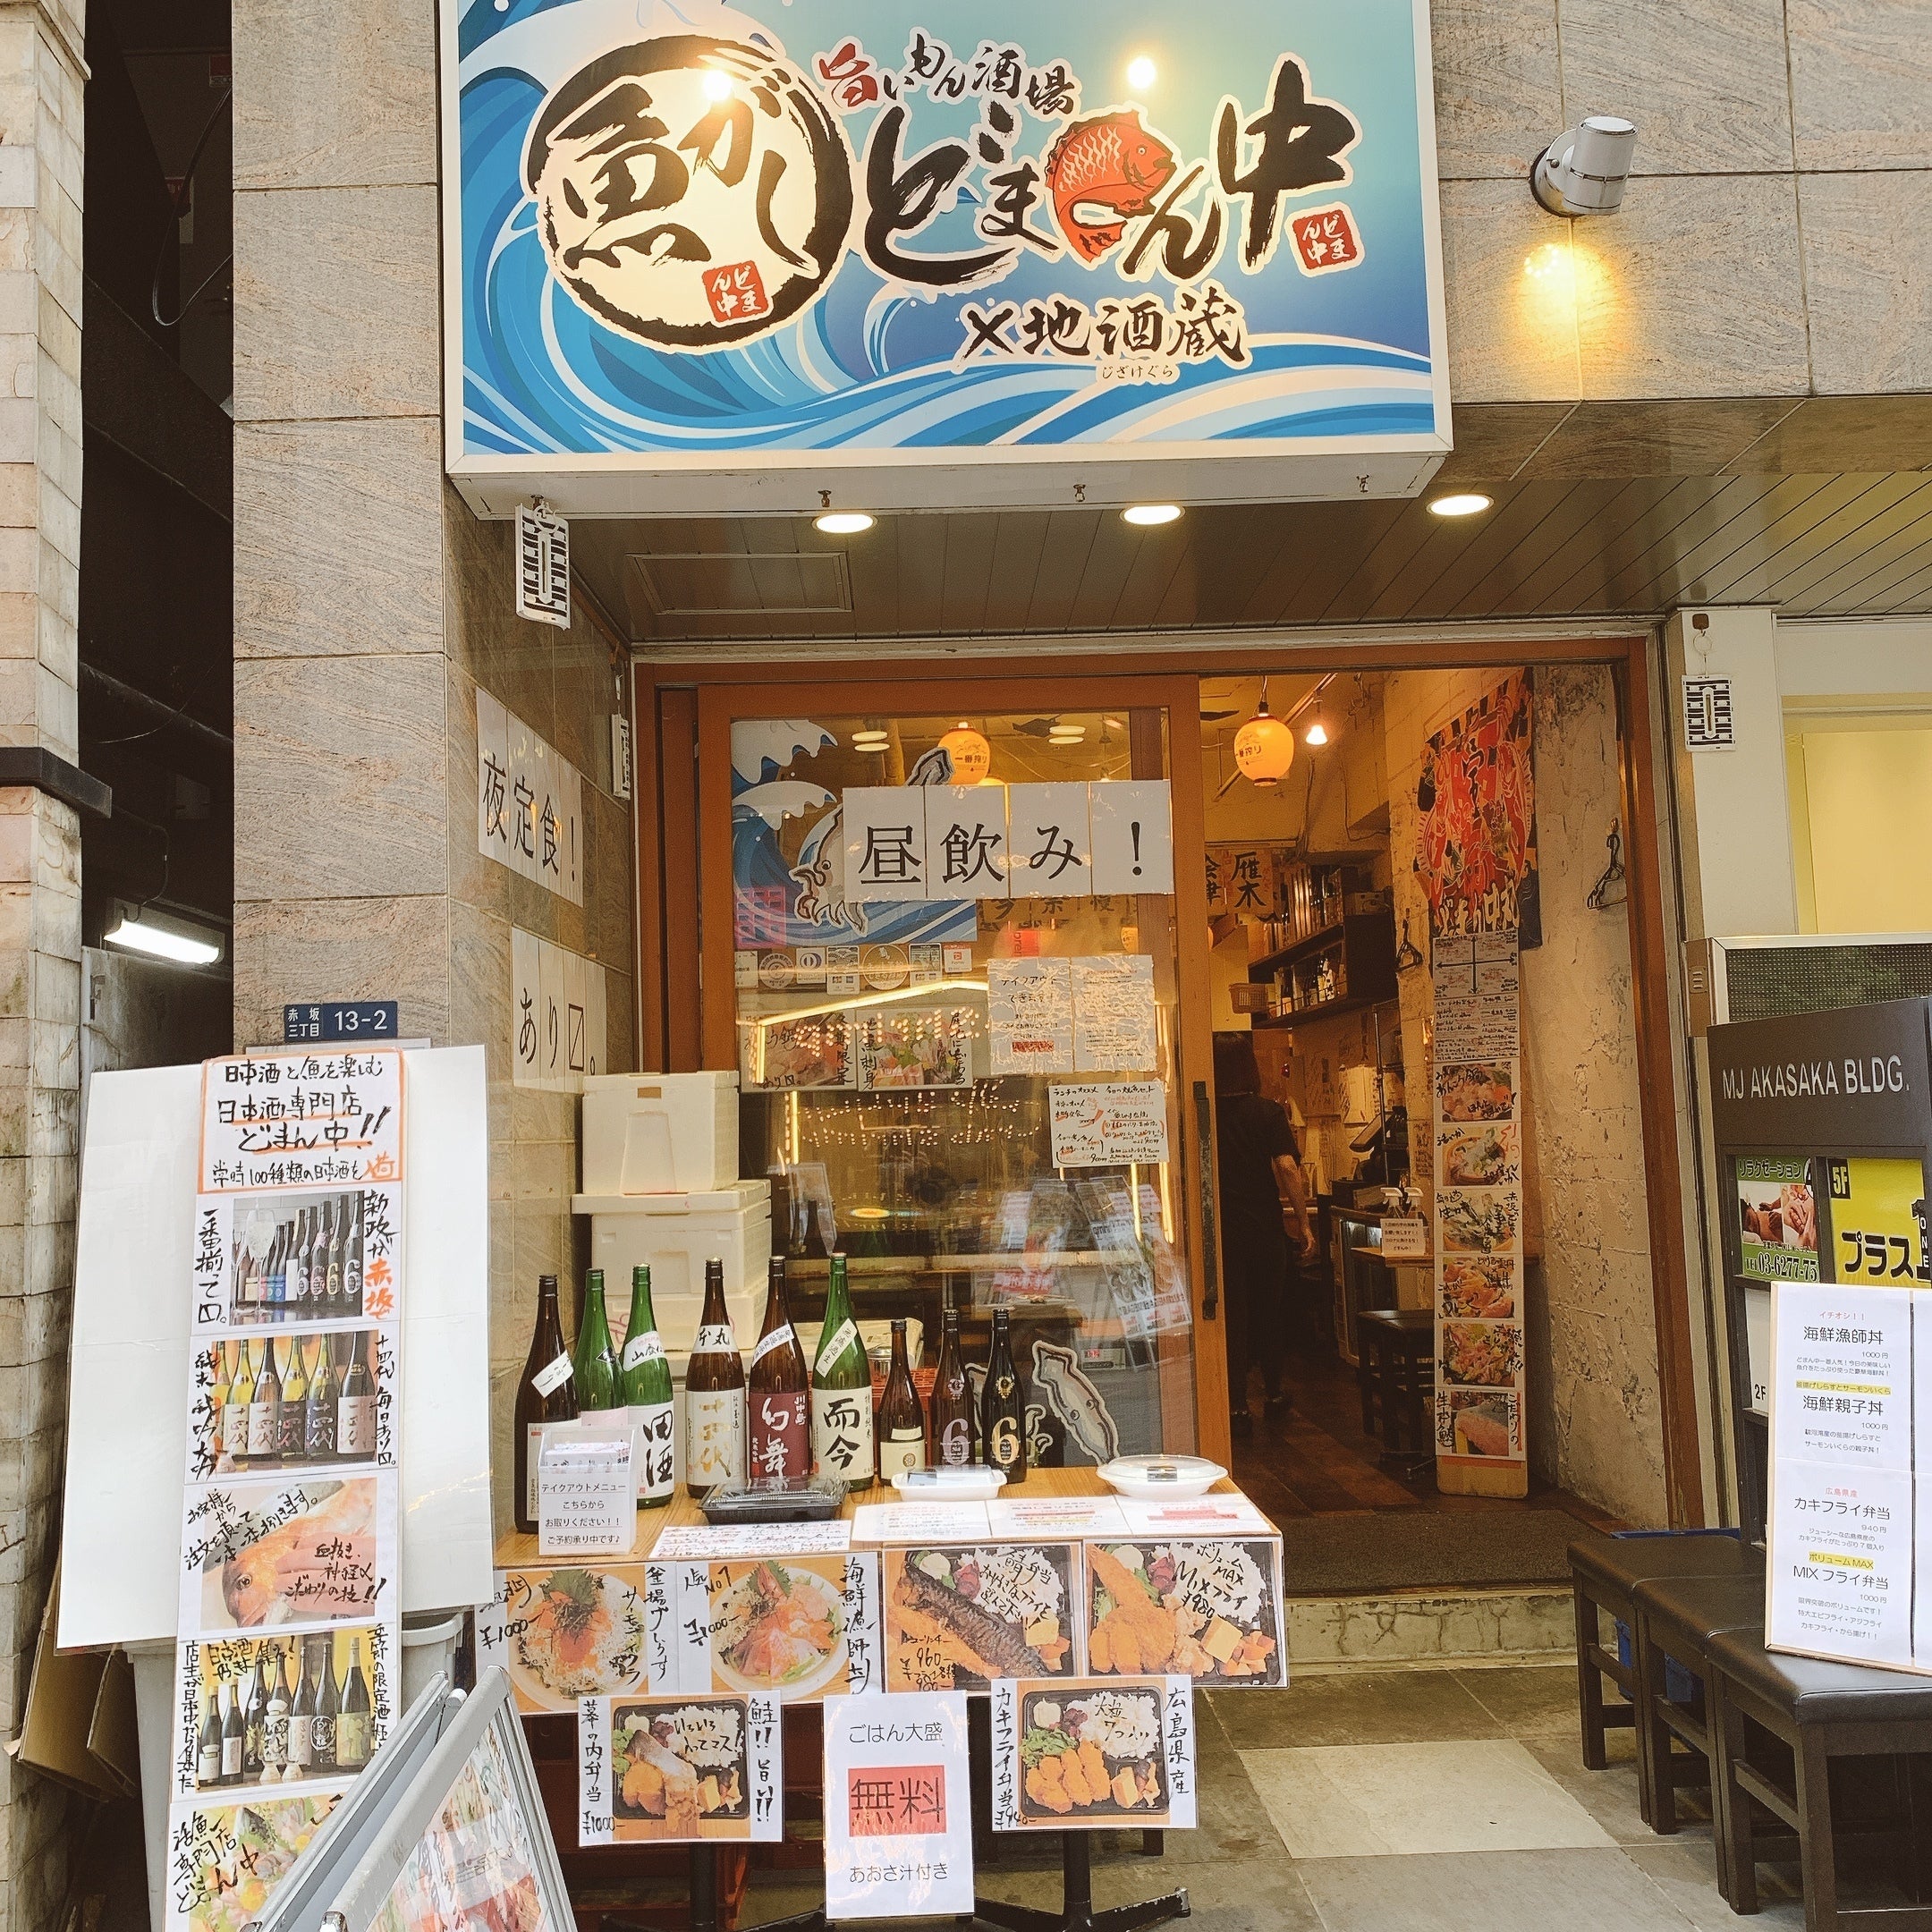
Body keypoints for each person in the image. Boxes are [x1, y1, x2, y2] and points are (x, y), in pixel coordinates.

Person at [1212, 1033, 1315, 1436]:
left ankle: (1236, 1405)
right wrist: (1303, 1222)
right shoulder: (1268, 1112)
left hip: (1221, 1230)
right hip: (1263, 1228)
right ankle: (1273, 1394)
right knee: (1269, 1312)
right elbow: (1287, 1167)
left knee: (1231, 1317)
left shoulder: (1204, 1112)